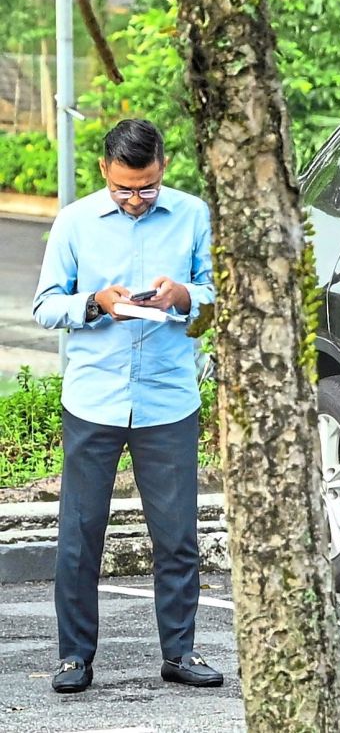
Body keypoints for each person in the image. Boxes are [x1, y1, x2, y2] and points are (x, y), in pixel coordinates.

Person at [32, 119, 220, 693]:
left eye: (145, 187)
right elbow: (45, 306)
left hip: (168, 396)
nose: (135, 199)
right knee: (81, 532)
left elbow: (216, 296)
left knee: (177, 533)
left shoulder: (192, 215)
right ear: (104, 174)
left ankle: (180, 652)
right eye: (123, 189)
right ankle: (73, 657)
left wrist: (183, 295)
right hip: (95, 397)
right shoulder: (74, 222)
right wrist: (95, 302)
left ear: (162, 167)